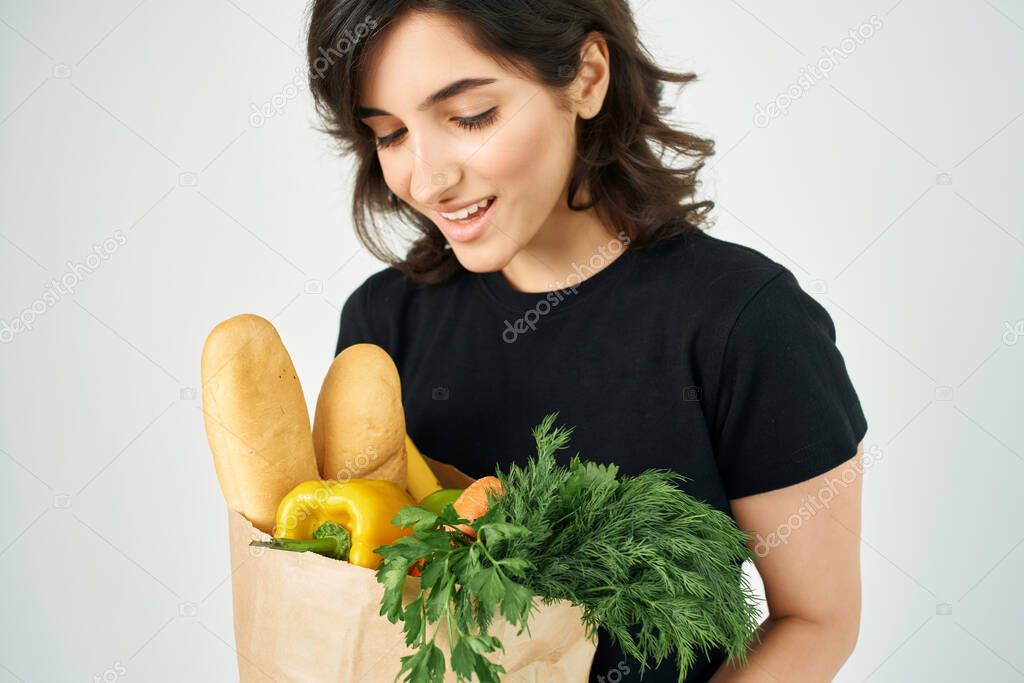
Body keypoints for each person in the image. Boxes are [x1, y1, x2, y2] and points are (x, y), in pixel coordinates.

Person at [307, 2, 868, 680]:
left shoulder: (746, 321)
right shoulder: (380, 327)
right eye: (390, 134)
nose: (425, 181)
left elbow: (817, 618)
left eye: (470, 117)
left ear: (587, 77)